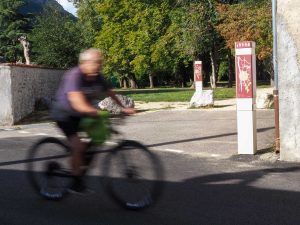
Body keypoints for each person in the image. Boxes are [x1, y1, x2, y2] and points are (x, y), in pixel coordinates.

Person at [51, 48, 135, 193]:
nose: (99, 65)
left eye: (100, 62)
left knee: (96, 140)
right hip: (64, 114)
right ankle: (75, 182)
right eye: (96, 62)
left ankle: (81, 164)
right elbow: (77, 102)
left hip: (83, 113)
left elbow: (111, 93)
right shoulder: (74, 76)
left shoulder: (97, 76)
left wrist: (123, 108)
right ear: (85, 62)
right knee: (78, 146)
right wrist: (94, 112)